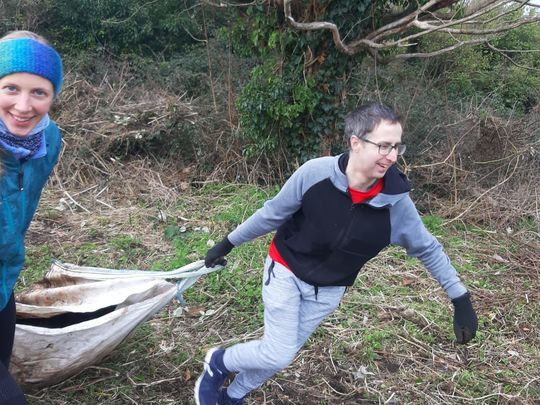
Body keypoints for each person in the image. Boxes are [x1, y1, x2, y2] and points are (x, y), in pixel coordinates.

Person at [194, 102, 478, 405]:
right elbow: (273, 213)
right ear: (356, 142)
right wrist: (229, 242)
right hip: (286, 269)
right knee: (279, 351)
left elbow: (428, 248)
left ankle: (234, 395)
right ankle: (220, 362)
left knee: (281, 355)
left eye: (397, 147)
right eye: (383, 146)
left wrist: (460, 298)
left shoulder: (395, 204)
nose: (392, 157)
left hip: (328, 290)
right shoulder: (315, 173)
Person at [0, 30, 63, 403]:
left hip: (5, 277)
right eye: (10, 88)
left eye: (38, 92)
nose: (24, 106)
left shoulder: (48, 140)